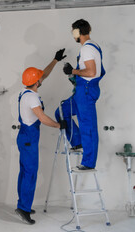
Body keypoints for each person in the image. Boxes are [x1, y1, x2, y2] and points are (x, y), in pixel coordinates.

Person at [15, 50, 67, 225]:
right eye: (39, 78)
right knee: (30, 173)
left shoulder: (26, 91)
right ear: (36, 82)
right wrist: (60, 125)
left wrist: (55, 60)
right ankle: (23, 208)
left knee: (25, 172)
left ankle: (23, 204)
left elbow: (43, 74)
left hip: (24, 136)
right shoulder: (33, 98)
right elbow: (43, 119)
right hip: (29, 139)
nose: (41, 78)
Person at [55, 19, 105, 170]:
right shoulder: (91, 46)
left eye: (73, 32)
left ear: (77, 32)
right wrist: (74, 76)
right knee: (62, 112)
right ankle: (77, 141)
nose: (73, 35)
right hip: (82, 89)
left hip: (86, 91)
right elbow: (89, 72)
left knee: (87, 125)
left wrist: (73, 71)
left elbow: (91, 72)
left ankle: (89, 162)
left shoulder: (87, 49)